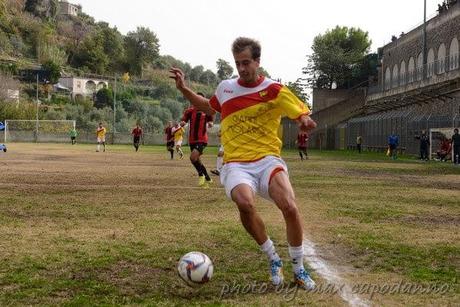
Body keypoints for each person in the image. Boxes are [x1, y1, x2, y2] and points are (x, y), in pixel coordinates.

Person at [170, 37, 317, 290]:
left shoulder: (274, 90)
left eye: (246, 62)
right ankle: (273, 258)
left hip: (268, 159)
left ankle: (299, 269)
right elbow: (208, 106)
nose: (241, 68)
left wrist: (303, 120)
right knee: (245, 203)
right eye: (237, 63)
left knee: (290, 207)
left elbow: (299, 112)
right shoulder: (226, 88)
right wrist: (184, 89)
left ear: (258, 61)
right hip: (236, 162)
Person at [180, 93, 214, 187]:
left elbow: (211, 121)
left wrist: (210, 124)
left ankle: (201, 175)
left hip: (202, 140)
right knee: (198, 161)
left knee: (192, 158)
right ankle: (208, 178)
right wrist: (182, 122)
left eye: (200, 98)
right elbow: (184, 120)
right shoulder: (190, 111)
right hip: (192, 140)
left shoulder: (207, 111)